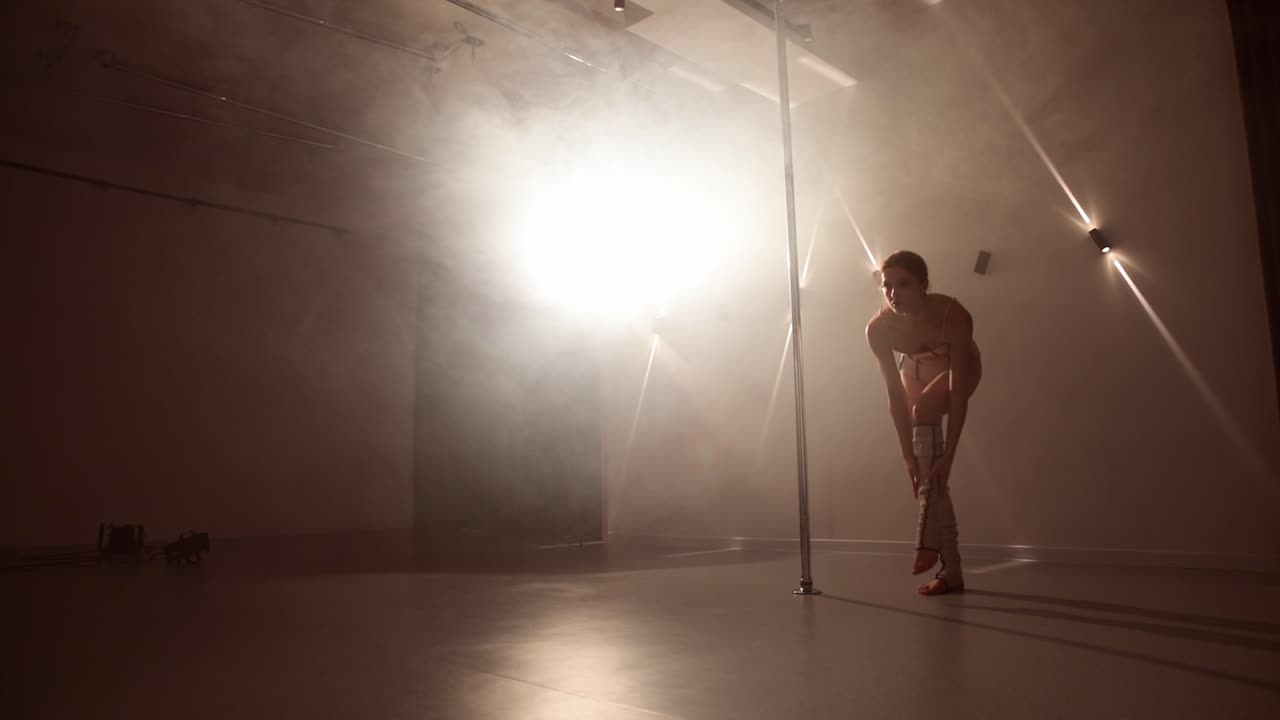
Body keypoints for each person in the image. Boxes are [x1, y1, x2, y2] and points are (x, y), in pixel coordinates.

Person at [864, 251, 982, 595]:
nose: (893, 293)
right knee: (926, 467)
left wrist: (952, 455)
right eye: (887, 286)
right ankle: (952, 569)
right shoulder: (878, 328)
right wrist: (908, 457)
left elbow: (958, 393)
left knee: (928, 414)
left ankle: (925, 538)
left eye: (903, 284)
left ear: (923, 285)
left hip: (959, 367)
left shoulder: (952, 314)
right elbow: (894, 397)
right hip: (914, 370)